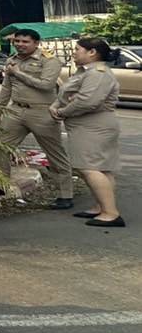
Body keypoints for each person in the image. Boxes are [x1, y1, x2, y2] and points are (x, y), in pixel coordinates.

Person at [0, 28, 74, 209]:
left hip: (41, 112)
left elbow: (46, 85)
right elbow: (7, 87)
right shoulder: (12, 61)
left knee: (54, 153)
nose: (20, 45)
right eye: (17, 41)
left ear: (36, 43)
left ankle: (65, 194)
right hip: (16, 110)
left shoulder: (49, 60)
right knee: (0, 146)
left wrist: (18, 73)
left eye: (25, 42)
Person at [52, 36, 125, 227]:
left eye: (77, 49)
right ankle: (101, 207)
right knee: (100, 168)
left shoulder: (98, 74)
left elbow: (87, 101)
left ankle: (110, 213)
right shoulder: (86, 72)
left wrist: (62, 112)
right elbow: (69, 94)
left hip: (93, 126)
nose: (74, 53)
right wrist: (57, 105)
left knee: (89, 167)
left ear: (92, 52)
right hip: (89, 125)